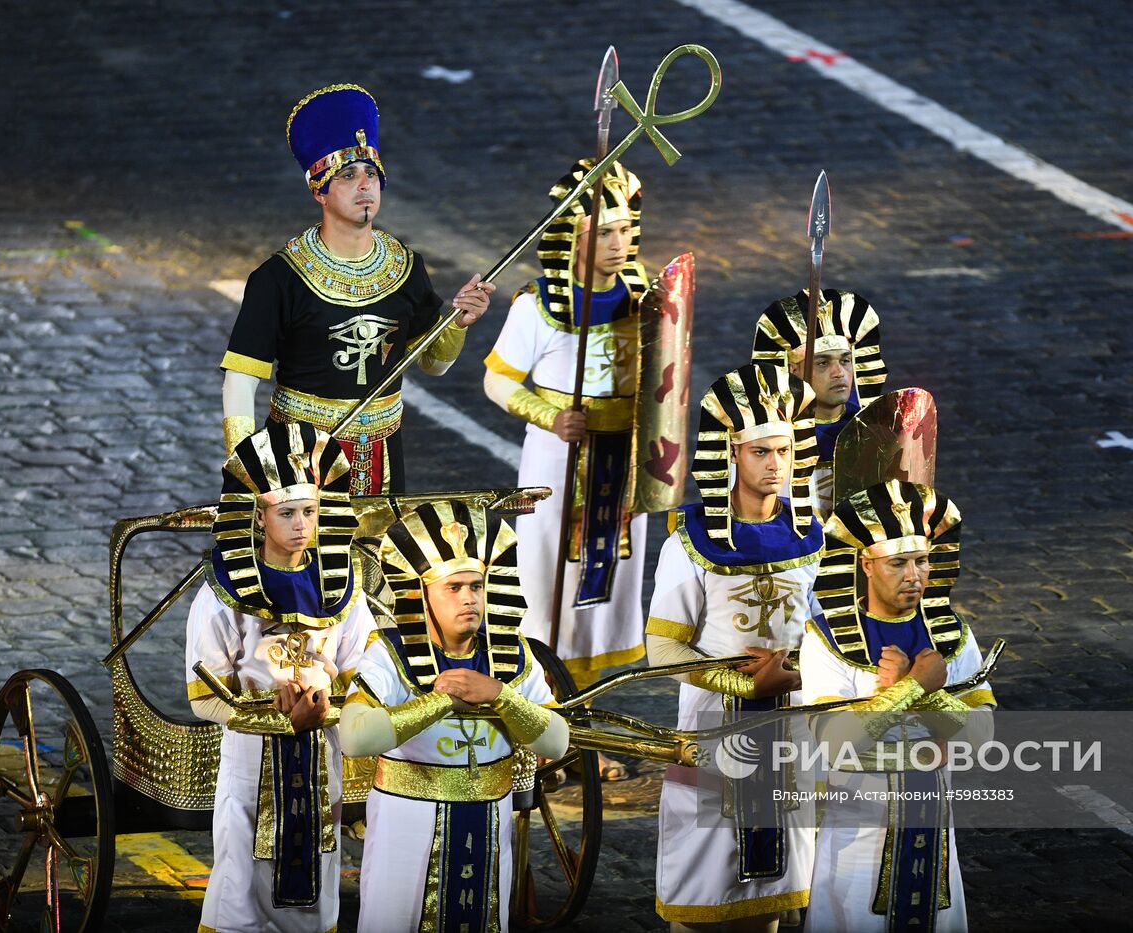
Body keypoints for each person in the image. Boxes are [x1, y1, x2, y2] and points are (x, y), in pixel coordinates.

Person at [220, 83, 494, 493]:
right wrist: (251, 470)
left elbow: (433, 364)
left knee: (379, 558)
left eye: (372, 175)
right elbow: (241, 379)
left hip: (383, 458)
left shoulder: (405, 266)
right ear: (319, 191)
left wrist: (459, 322)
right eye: (348, 175)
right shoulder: (279, 279)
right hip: (300, 461)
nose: (365, 185)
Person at [482, 159, 649, 777]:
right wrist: (549, 416)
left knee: (599, 593)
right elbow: (497, 380)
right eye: (607, 231)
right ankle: (543, 723)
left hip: (618, 470)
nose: (621, 242)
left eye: (627, 229)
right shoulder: (539, 306)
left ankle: (578, 725)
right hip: (559, 464)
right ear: (574, 235)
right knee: (545, 590)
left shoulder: (641, 295)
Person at [644, 363, 823, 931]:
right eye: (760, 452)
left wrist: (797, 678)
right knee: (701, 895)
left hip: (792, 732)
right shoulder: (690, 544)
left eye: (785, 451)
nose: (776, 465)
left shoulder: (814, 538)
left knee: (770, 898)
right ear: (731, 454)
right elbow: (662, 652)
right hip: (714, 732)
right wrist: (744, 683)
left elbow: (833, 635)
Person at [340, 500, 568, 932]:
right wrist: (441, 701)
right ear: (422, 594)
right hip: (407, 826)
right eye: (453, 587)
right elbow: (354, 737)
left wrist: (500, 696)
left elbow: (557, 742)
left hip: (489, 820)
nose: (469, 598)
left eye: (476, 586)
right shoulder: (389, 652)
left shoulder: (513, 654)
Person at [185, 420, 375, 933]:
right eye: (286, 512)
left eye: (310, 511)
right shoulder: (222, 595)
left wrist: (326, 710)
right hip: (250, 759)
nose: (300, 524)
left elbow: (366, 674)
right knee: (243, 861)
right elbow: (205, 695)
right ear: (257, 514)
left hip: (324, 749)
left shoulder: (343, 590)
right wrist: (275, 717)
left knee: (321, 853)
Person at [799, 480, 997, 932]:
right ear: (866, 564)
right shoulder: (826, 640)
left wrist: (926, 693)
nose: (914, 576)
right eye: (898, 563)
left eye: (922, 560)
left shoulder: (952, 636)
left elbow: (983, 739)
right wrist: (910, 691)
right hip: (855, 840)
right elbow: (835, 746)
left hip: (934, 833)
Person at [751, 289, 886, 518]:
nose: (838, 373)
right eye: (822, 363)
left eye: (845, 361)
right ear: (793, 370)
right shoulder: (765, 438)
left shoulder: (874, 430)